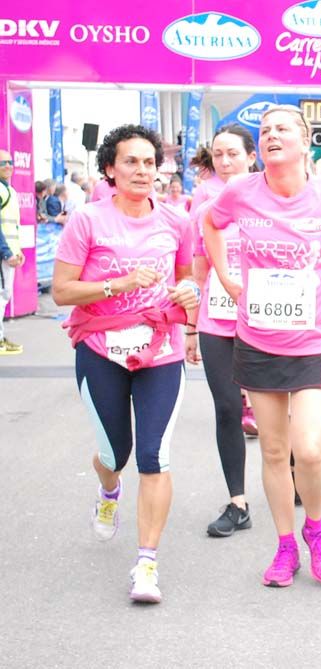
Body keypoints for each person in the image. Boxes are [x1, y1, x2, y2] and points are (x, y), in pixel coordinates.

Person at [203, 104, 321, 588]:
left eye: (282, 129)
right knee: (273, 450)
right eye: (264, 129)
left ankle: (317, 528)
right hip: (257, 338)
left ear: (305, 142)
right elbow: (210, 224)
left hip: (315, 338)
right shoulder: (240, 191)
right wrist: (226, 277)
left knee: (307, 449)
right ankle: (285, 545)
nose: (271, 135)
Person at [52, 124, 200, 603]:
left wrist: (189, 295)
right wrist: (119, 284)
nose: (141, 170)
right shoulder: (87, 220)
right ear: (110, 169)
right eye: (130, 162)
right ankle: (109, 490)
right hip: (100, 349)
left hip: (160, 350)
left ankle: (146, 565)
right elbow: (62, 291)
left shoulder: (177, 221)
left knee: (155, 455)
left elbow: (187, 279)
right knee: (115, 455)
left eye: (149, 162)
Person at [185, 124, 260, 537]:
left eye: (233, 153)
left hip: (266, 316)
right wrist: (191, 328)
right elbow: (199, 266)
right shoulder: (205, 200)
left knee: (276, 408)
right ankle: (238, 502)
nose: (225, 161)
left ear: (251, 157)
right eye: (218, 154)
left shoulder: (270, 196)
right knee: (228, 408)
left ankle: (292, 469)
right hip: (217, 316)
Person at [0, 149, 26, 354]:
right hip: (3, 255)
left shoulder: (9, 190)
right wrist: (6, 252)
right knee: (1, 297)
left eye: (10, 162)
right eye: (3, 163)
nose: (8, 166)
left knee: (4, 296)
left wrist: (17, 250)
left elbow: (12, 226)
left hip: (9, 253)